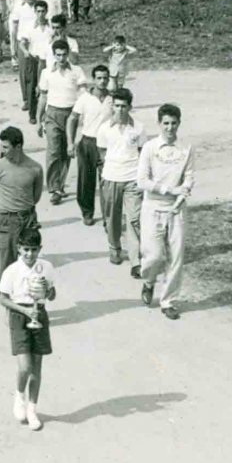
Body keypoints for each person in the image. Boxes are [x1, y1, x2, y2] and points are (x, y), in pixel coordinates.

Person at [137, 104, 195, 320]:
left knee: (176, 257)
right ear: (159, 124)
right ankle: (149, 281)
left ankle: (168, 300)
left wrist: (183, 192)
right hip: (153, 206)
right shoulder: (150, 148)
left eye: (174, 123)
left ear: (179, 123)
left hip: (176, 208)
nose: (170, 128)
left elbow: (189, 176)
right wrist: (168, 189)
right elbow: (142, 180)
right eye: (166, 123)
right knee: (153, 256)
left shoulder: (186, 148)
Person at [0, 228, 56, 431]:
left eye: (33, 250)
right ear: (18, 248)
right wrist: (23, 309)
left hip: (39, 314)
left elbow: (52, 293)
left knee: (37, 366)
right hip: (19, 316)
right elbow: (2, 298)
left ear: (40, 249)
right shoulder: (11, 271)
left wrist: (46, 290)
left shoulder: (46, 267)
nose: (30, 255)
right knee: (25, 366)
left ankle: (32, 409)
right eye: (26, 250)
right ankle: (19, 396)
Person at [96, 87, 146, 273]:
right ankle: (115, 248)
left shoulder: (139, 128)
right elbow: (102, 153)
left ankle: (135, 261)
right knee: (113, 218)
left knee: (133, 219)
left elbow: (142, 152)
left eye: (123, 106)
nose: (119, 110)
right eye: (116, 106)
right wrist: (110, 171)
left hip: (132, 179)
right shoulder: (104, 129)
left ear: (129, 107)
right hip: (111, 178)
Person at [0, 126, 43, 292]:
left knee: (29, 262)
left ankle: (25, 297)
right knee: (4, 263)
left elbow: (36, 196)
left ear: (18, 147)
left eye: (6, 147)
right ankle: (7, 302)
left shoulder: (35, 168)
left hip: (27, 219)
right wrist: (6, 209)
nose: (2, 151)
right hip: (5, 220)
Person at [36, 39, 88, 205]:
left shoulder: (77, 71)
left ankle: (60, 184)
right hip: (52, 113)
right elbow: (43, 97)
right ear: (54, 55)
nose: (61, 58)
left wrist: (84, 114)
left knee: (67, 150)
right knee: (53, 150)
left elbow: (83, 94)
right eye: (58, 55)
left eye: (64, 54)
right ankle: (53, 188)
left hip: (70, 114)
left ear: (68, 54)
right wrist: (38, 120)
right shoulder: (46, 73)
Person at [68, 64, 113, 225]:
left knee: (107, 181)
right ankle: (87, 213)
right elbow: (72, 119)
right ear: (93, 79)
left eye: (105, 78)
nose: (102, 81)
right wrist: (70, 143)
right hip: (87, 142)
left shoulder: (112, 99)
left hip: (106, 146)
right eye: (99, 78)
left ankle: (108, 216)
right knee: (86, 181)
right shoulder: (85, 98)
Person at [18, 0, 53, 122]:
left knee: (47, 87)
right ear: (35, 12)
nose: (41, 14)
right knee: (32, 86)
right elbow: (22, 43)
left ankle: (45, 114)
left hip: (48, 61)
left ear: (46, 12)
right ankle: (32, 115)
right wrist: (26, 52)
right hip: (34, 59)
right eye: (38, 11)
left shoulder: (51, 27)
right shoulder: (29, 27)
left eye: (43, 11)